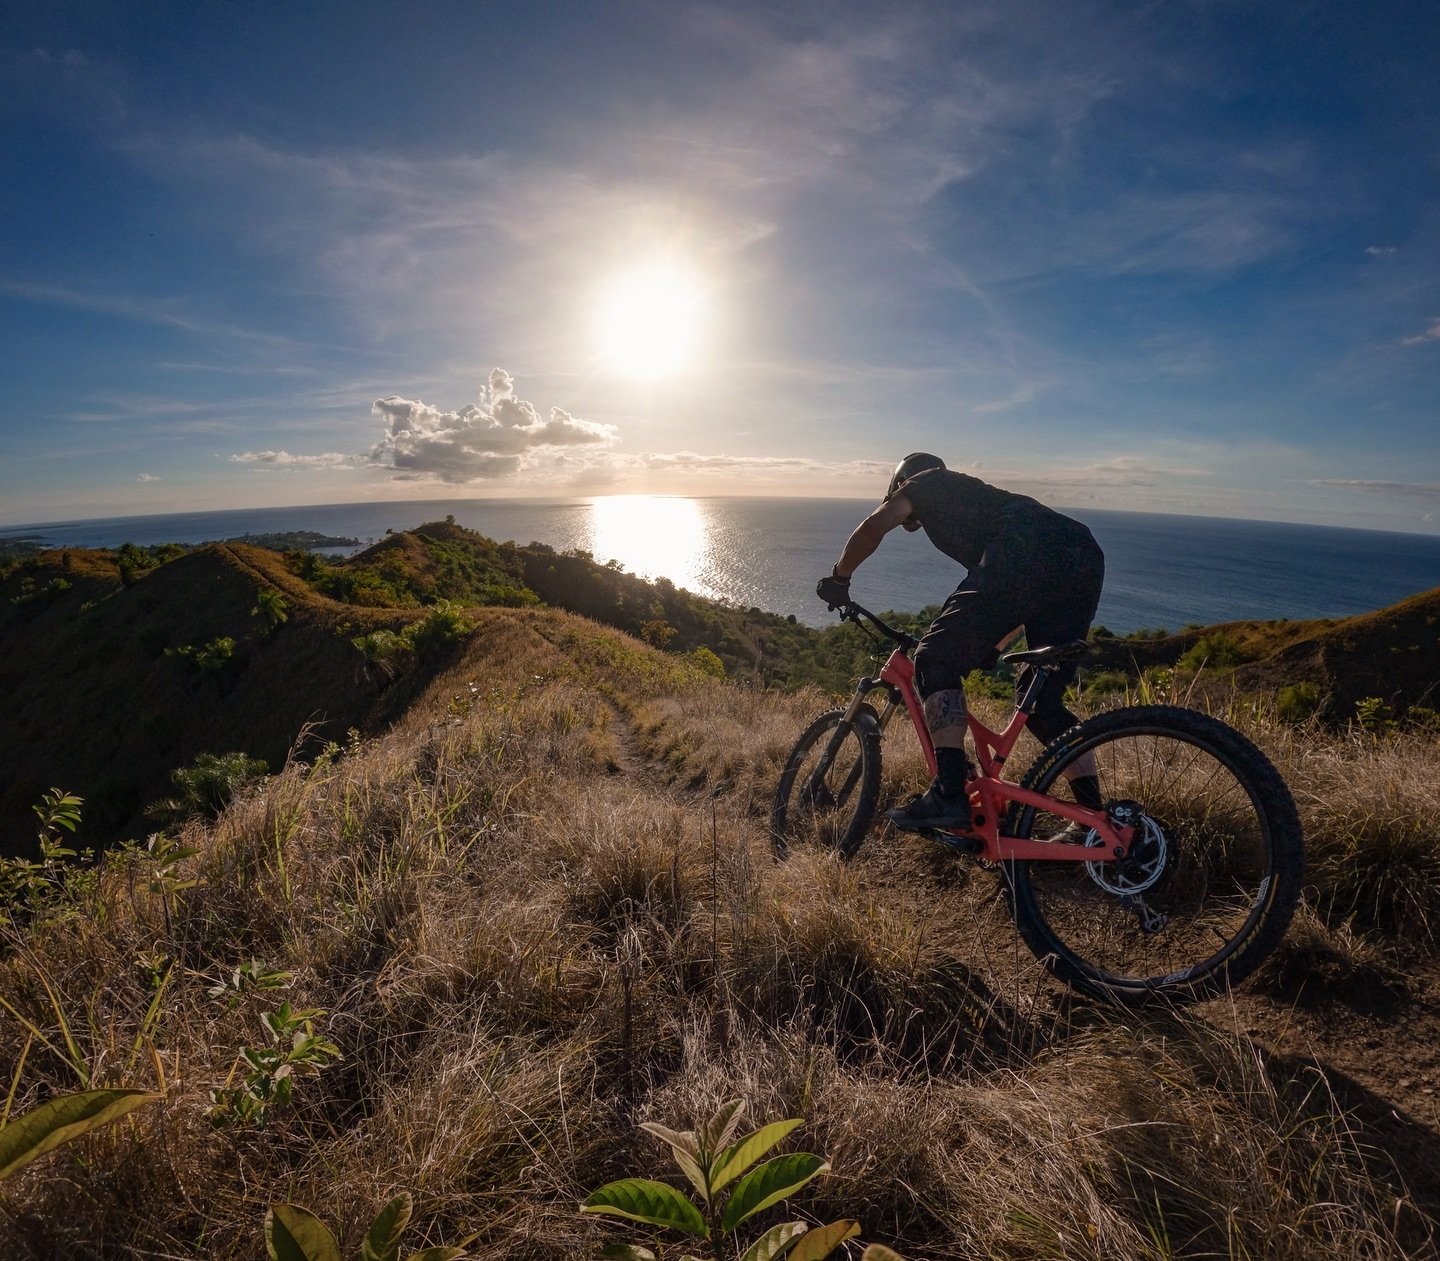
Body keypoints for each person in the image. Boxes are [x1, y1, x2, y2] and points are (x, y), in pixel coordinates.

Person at [816, 453, 1105, 835]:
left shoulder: (924, 483)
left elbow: (874, 526)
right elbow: (1022, 598)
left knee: (934, 660)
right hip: (1082, 557)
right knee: (1043, 704)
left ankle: (949, 792)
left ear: (901, 483)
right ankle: (1095, 820)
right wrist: (992, 647)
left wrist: (840, 577)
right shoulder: (975, 501)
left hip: (1020, 555)